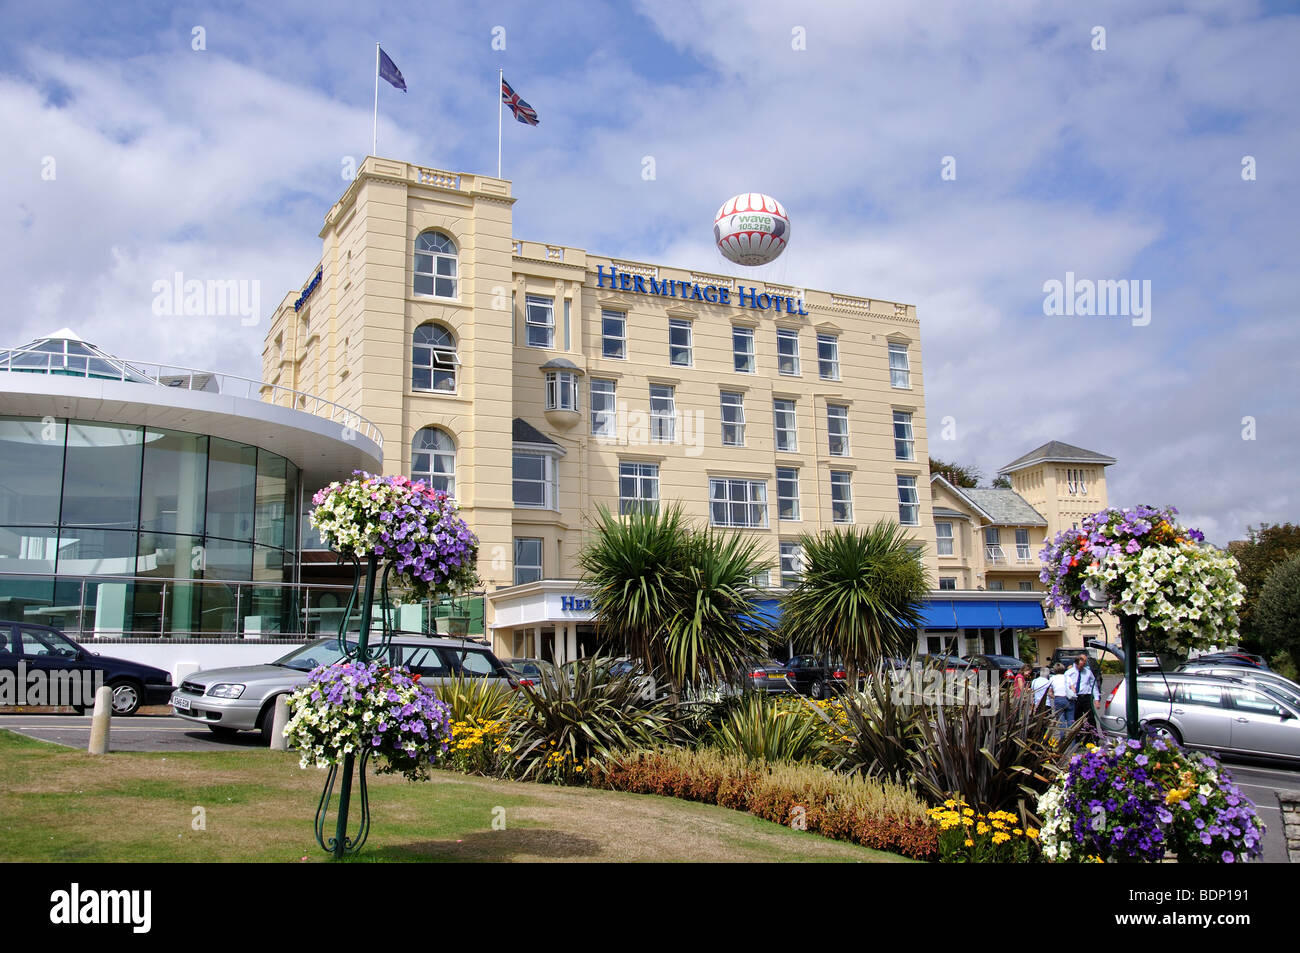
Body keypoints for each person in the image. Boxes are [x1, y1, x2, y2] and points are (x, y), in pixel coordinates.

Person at [1069, 653, 1101, 737]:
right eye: (1082, 662)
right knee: (1077, 718)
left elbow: (1094, 686)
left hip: (1086, 697)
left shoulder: (1088, 672)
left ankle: (1094, 738)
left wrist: (1097, 699)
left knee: (1090, 718)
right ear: (1077, 662)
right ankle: (1078, 738)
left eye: (1085, 662)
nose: (1084, 664)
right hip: (1075, 698)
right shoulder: (1070, 673)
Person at [1048, 663, 1071, 738]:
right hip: (1068, 698)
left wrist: (1055, 697)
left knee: (1061, 720)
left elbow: (1050, 692)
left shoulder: (1052, 678)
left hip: (1058, 698)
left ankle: (1063, 738)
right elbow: (1073, 689)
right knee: (1070, 720)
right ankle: (1072, 738)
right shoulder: (1067, 677)